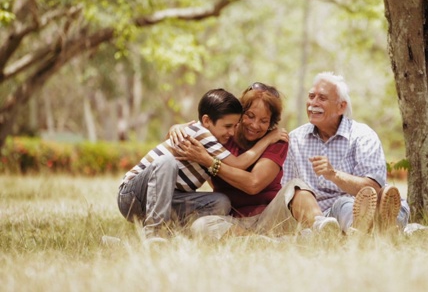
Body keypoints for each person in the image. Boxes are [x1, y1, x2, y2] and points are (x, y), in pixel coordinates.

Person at [171, 82, 341, 238]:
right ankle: (265, 242)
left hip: (272, 215)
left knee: (297, 186)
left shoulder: (277, 141)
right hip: (234, 221)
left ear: (271, 123)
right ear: (239, 114)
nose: (254, 125)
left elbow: (253, 184)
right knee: (201, 226)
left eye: (263, 121)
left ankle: (321, 227)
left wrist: (209, 162)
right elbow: (185, 137)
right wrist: (177, 128)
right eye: (250, 116)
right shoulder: (222, 135)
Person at [117, 88, 286, 240]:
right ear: (206, 121)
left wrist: (208, 161)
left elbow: (244, 180)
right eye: (229, 126)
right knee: (166, 162)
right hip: (133, 195)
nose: (232, 132)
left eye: (234, 126)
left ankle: (173, 234)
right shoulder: (205, 136)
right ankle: (154, 235)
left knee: (220, 202)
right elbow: (239, 163)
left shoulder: (218, 137)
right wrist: (268, 140)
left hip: (168, 198)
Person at [282, 72, 410, 234]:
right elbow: (288, 192)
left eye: (322, 98)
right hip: (325, 217)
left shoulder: (363, 135)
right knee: (339, 205)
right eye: (311, 96)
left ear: (341, 106)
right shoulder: (295, 139)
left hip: (364, 203)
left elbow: (374, 188)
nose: (313, 103)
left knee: (364, 202)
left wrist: (334, 175)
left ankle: (376, 224)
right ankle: (374, 227)